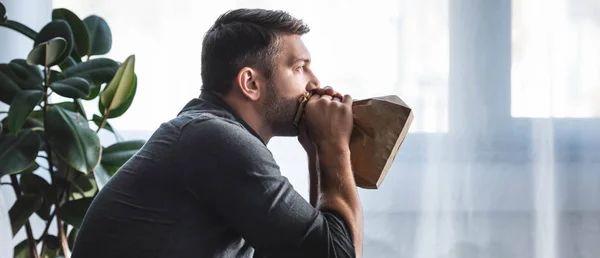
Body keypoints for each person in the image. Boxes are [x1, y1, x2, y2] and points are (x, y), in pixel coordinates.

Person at [71, 8, 363, 258]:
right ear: (250, 83)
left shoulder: (205, 133)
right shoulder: (215, 139)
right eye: (300, 67)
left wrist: (316, 150)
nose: (315, 83)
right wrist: (333, 144)